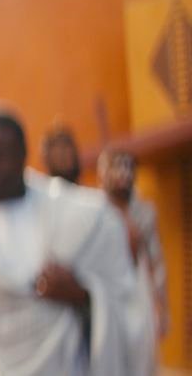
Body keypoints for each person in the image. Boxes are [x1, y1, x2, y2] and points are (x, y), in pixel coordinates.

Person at [0, 105, 134, 375]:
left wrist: (82, 293)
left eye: (0, 153)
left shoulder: (79, 221)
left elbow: (126, 303)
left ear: (22, 153)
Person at [99, 149, 166, 376]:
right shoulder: (94, 210)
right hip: (103, 298)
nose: (122, 174)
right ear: (103, 172)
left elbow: (155, 261)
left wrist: (161, 306)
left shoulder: (145, 212)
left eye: (128, 168)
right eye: (116, 167)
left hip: (139, 296)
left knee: (142, 361)